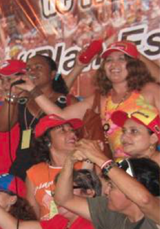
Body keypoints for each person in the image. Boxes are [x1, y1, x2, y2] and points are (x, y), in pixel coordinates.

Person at [19, 41, 160, 158]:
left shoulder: (149, 90)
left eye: (121, 59)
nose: (114, 64)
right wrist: (33, 90)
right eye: (109, 60)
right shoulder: (102, 99)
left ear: (134, 64)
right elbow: (60, 115)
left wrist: (136, 51)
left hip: (153, 165)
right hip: (122, 172)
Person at [0, 54, 75, 180]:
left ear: (52, 74)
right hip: (23, 165)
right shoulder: (21, 100)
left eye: (38, 67)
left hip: (55, 165)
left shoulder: (66, 101)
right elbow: (2, 126)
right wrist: (13, 95)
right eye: (28, 69)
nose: (32, 71)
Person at [26, 114, 85, 220]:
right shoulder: (33, 173)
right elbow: (32, 215)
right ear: (47, 141)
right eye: (62, 130)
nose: (72, 133)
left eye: (72, 130)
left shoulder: (87, 165)